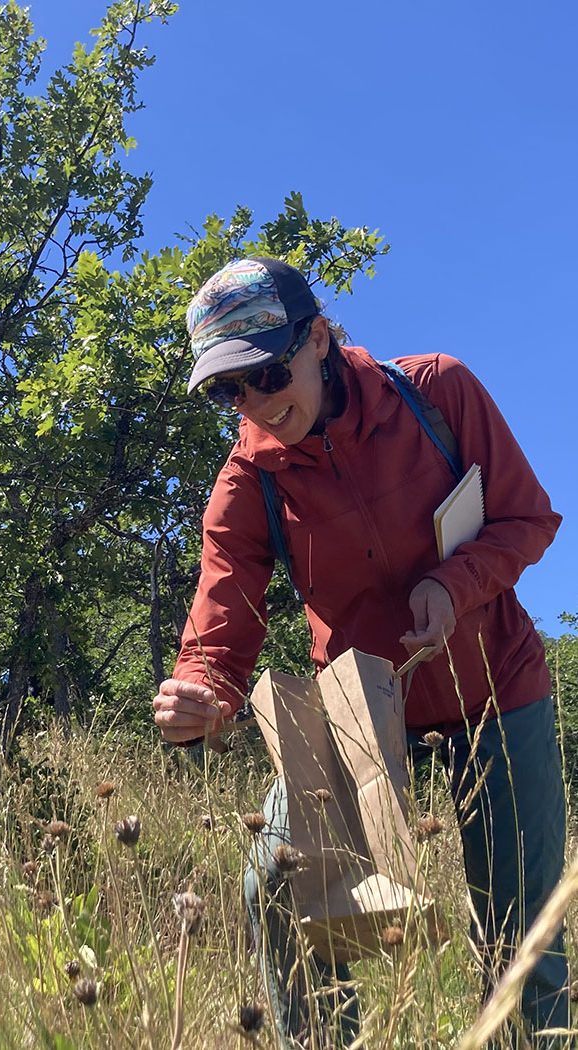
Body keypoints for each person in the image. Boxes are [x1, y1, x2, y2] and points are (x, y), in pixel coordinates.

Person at [152, 256, 568, 1047]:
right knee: (277, 885)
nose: (256, 404)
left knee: (522, 935)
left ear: (317, 338)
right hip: (358, 711)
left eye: (266, 374)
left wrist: (454, 583)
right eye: (228, 390)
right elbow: (219, 630)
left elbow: (527, 518)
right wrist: (200, 691)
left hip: (498, 688)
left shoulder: (436, 392)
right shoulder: (247, 481)